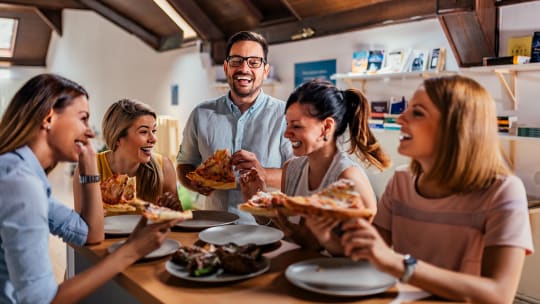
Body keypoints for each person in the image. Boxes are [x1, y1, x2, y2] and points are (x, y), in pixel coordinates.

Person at [340, 75, 534, 303]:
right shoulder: (401, 181)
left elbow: (498, 294)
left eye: (418, 112)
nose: (401, 118)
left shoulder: (504, 191)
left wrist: (401, 265)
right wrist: (331, 233)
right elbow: (370, 258)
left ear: (457, 127)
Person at [0, 74, 179, 303]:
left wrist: (91, 170)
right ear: (49, 118)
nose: (90, 132)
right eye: (83, 119)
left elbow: (89, 233)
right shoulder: (19, 184)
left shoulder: (25, 175)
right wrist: (131, 251)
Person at [240, 79, 391, 254]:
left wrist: (300, 231)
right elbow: (289, 236)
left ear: (326, 127)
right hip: (298, 271)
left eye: (296, 126)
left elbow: (365, 256)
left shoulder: (348, 179)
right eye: (287, 124)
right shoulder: (292, 169)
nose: (287, 134)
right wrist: (256, 204)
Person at [176, 31, 293, 223]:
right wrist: (196, 183)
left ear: (265, 70)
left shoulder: (285, 116)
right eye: (236, 61)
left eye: (254, 62)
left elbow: (300, 175)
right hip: (213, 228)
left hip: (268, 229)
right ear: (226, 67)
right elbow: (184, 164)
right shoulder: (201, 113)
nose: (244, 68)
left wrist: (263, 173)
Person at [74, 98, 182, 211]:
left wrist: (174, 208)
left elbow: (178, 222)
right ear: (118, 138)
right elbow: (80, 223)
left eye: (154, 131)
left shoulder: (164, 167)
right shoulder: (89, 168)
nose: (153, 139)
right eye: (144, 132)